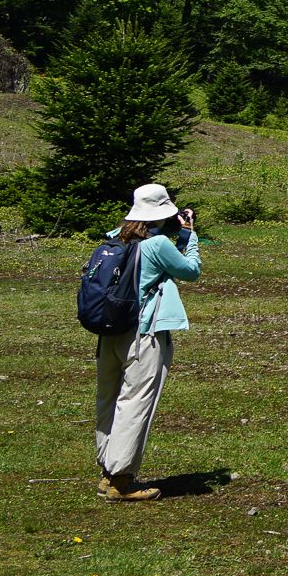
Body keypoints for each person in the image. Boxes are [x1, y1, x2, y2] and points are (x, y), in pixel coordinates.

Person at [94, 183, 200, 502]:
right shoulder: (157, 244)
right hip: (143, 335)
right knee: (136, 401)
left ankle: (107, 471)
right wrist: (190, 236)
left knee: (109, 400)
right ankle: (121, 480)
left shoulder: (115, 238)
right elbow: (190, 271)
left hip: (109, 331)